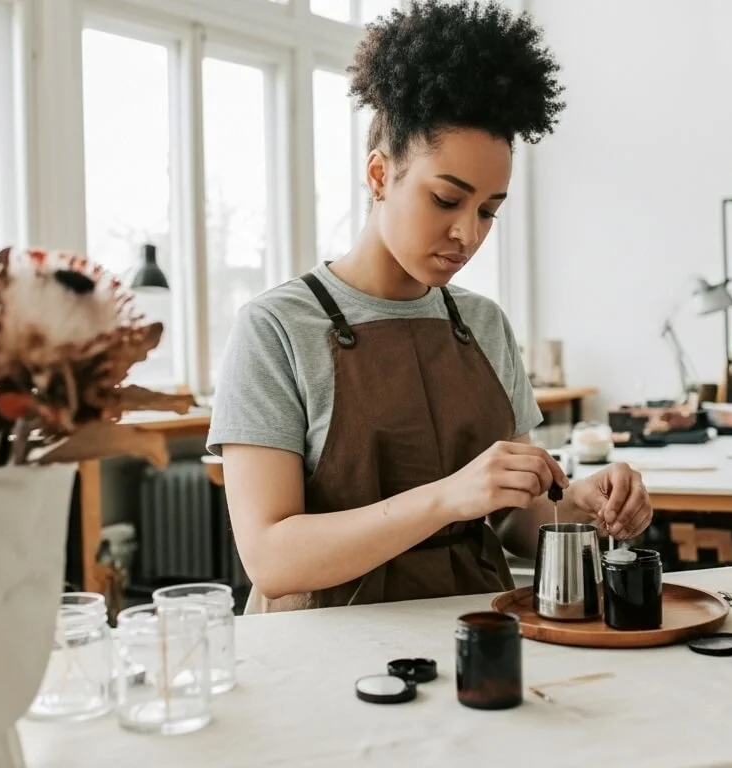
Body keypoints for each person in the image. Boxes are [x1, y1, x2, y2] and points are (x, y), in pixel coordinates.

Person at [207, 0, 651, 613]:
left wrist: (579, 506)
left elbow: (517, 523)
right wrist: (448, 497)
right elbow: (272, 558)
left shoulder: (482, 324)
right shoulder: (276, 328)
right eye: (447, 199)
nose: (468, 234)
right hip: (323, 654)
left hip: (479, 632)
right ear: (380, 175)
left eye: (489, 210)